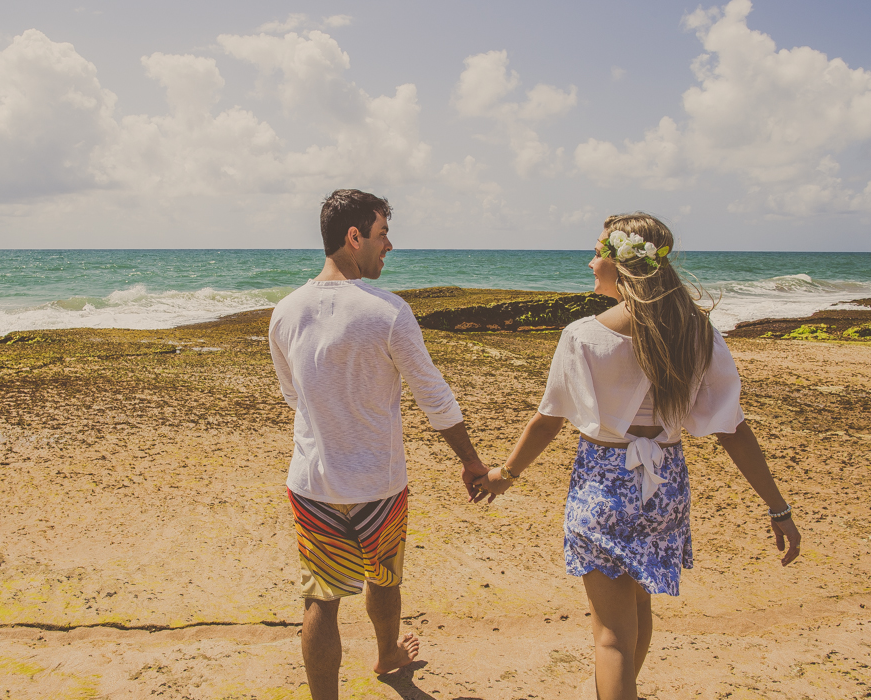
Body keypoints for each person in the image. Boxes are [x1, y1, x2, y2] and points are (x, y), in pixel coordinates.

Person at [476, 213, 801, 700]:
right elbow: (732, 429)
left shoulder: (584, 335)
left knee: (611, 636)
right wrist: (778, 507)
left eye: (597, 252)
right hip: (663, 487)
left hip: (604, 486)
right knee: (637, 614)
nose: (590, 262)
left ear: (621, 261)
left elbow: (548, 420)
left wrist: (505, 473)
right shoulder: (697, 331)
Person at [269, 189, 491, 699]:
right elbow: (434, 396)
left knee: (320, 600)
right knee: (384, 578)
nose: (389, 245)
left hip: (313, 484)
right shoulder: (388, 312)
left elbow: (292, 396)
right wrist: (471, 461)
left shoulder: (285, 311)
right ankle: (387, 655)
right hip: (379, 485)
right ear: (355, 237)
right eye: (382, 233)